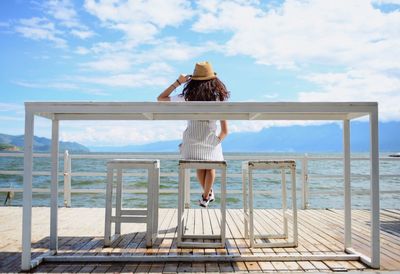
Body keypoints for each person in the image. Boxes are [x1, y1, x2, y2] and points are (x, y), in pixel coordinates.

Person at [157, 61, 230, 207]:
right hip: (210, 142)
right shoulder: (219, 100)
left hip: (191, 144)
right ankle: (206, 195)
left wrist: (178, 82)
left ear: (193, 81)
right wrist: (217, 141)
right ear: (214, 81)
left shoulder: (186, 98)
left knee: (200, 163)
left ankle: (208, 194)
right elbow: (225, 131)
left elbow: (161, 99)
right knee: (210, 164)